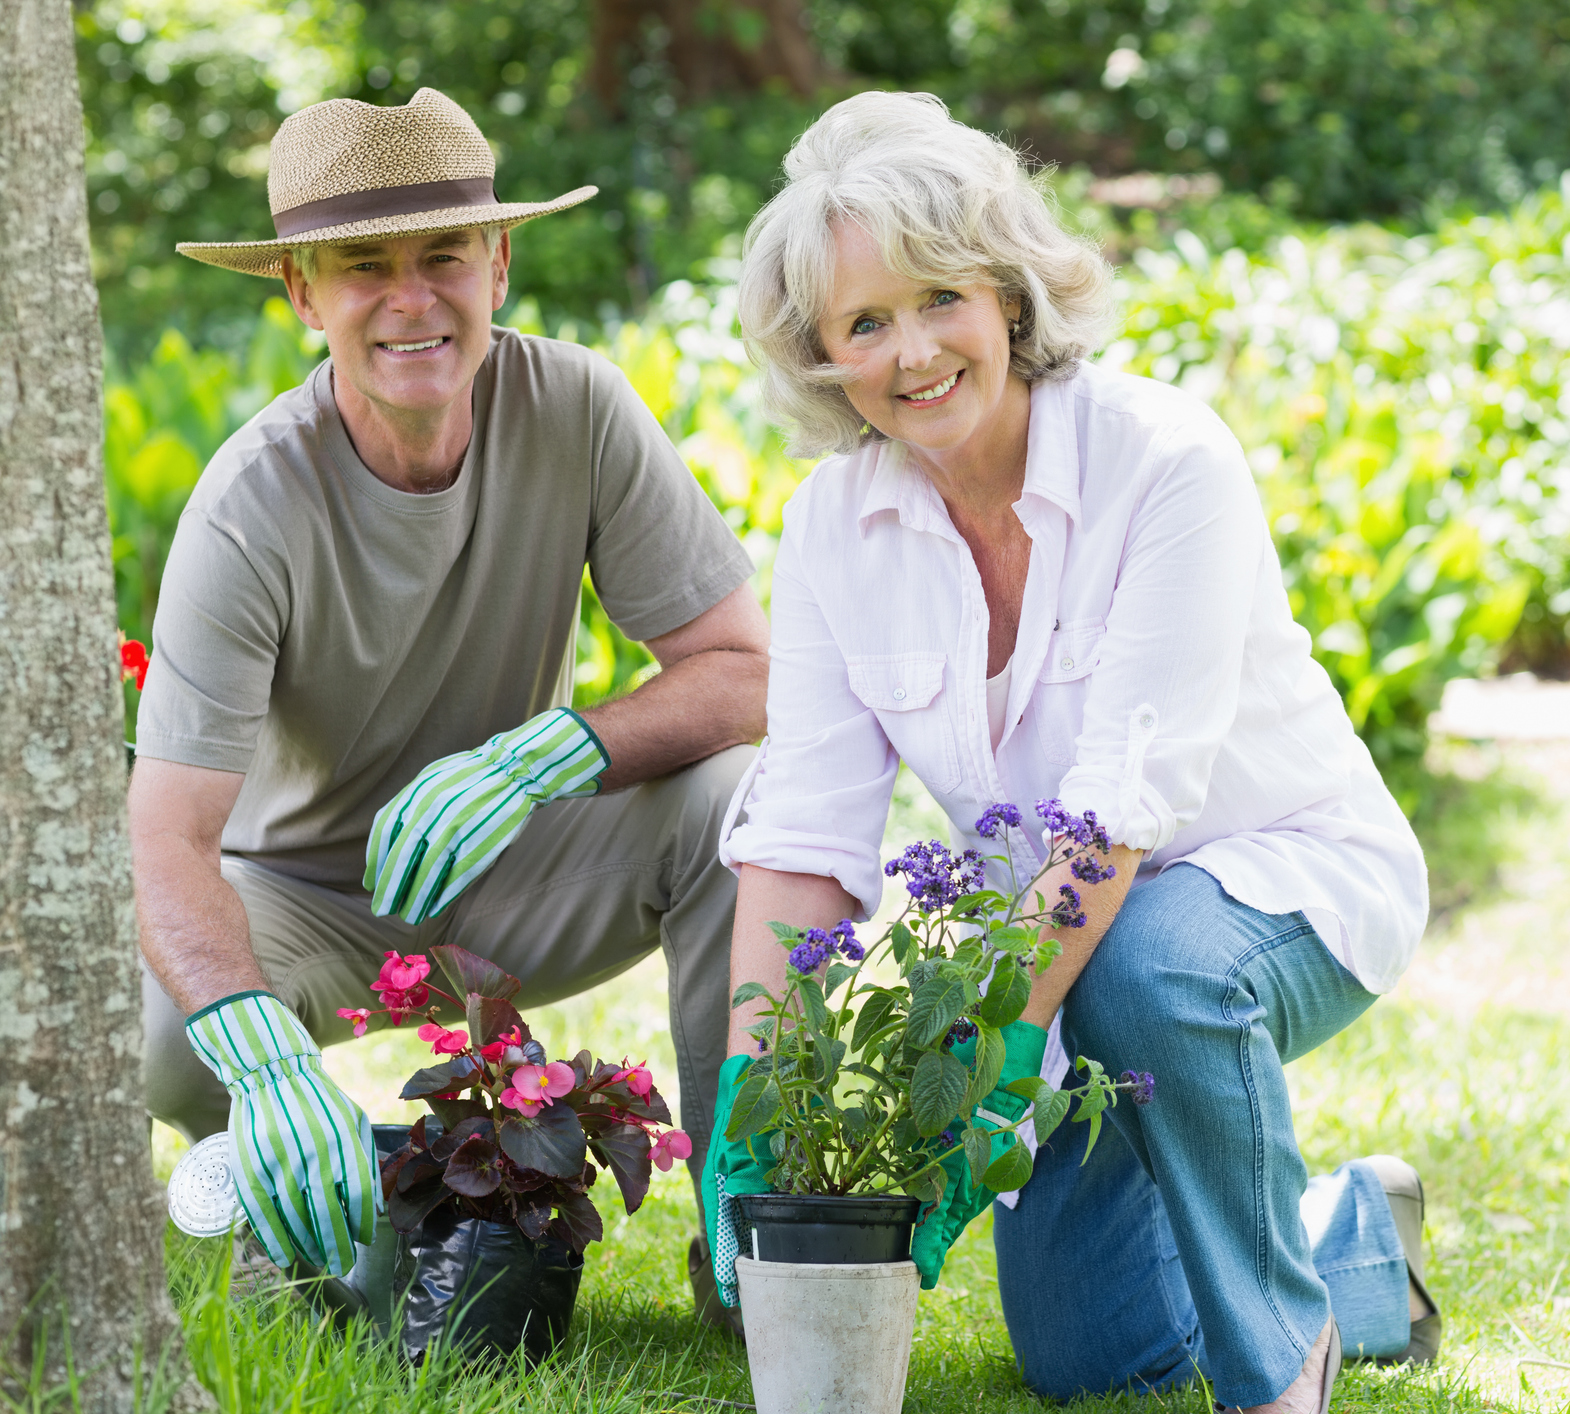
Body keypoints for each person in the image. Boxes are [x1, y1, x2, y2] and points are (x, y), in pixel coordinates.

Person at [708, 91, 1439, 1411]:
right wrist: (750, 1091)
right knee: (1084, 1353)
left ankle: (1284, 1360)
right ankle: (1345, 1233)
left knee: (1151, 969)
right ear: (821, 356)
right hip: (1060, 946)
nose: (912, 351)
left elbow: (1122, 810)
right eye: (863, 324)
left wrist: (991, 1060)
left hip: (1276, 884)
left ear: (1005, 294)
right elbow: (805, 825)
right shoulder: (833, 526)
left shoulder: (1163, 461)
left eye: (938, 298)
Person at [135, 87, 765, 1322]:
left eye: (444, 255)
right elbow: (167, 835)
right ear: (302, 294)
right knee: (170, 1031)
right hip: (304, 894)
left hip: (513, 860)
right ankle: (332, 1176)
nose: (412, 298)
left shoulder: (577, 407)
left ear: (500, 261)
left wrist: (553, 752)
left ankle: (748, 1231)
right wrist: (252, 1043)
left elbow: (745, 672)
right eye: (363, 265)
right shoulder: (250, 503)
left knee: (741, 810)